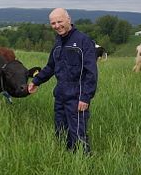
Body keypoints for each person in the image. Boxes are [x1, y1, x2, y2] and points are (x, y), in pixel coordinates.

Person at [27, 8, 98, 153]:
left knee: (78, 135)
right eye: (53, 23)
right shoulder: (58, 42)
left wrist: (85, 97)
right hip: (60, 95)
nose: (57, 26)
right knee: (61, 133)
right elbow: (51, 66)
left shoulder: (83, 41)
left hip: (77, 96)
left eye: (59, 21)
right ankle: (66, 161)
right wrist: (36, 81)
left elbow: (91, 73)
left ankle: (84, 166)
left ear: (69, 20)